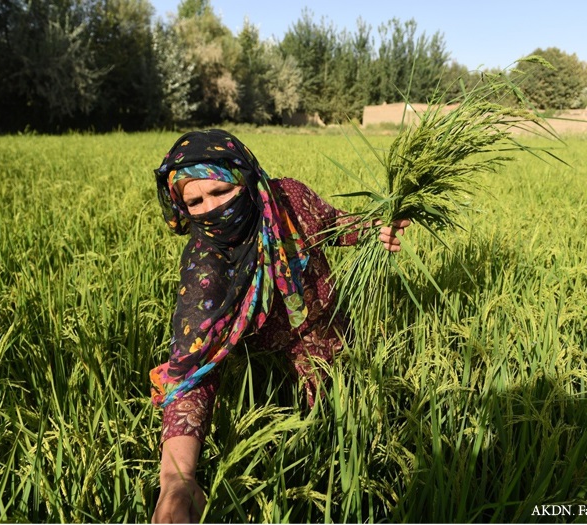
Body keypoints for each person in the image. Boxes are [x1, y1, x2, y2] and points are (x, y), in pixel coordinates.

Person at [149, 129, 409, 523]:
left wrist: (375, 229)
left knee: (359, 419)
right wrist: (176, 479)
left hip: (333, 329)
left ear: (246, 178)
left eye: (221, 191)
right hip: (272, 365)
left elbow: (333, 224)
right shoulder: (207, 268)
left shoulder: (286, 198)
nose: (211, 209)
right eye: (195, 202)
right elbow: (193, 371)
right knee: (314, 446)